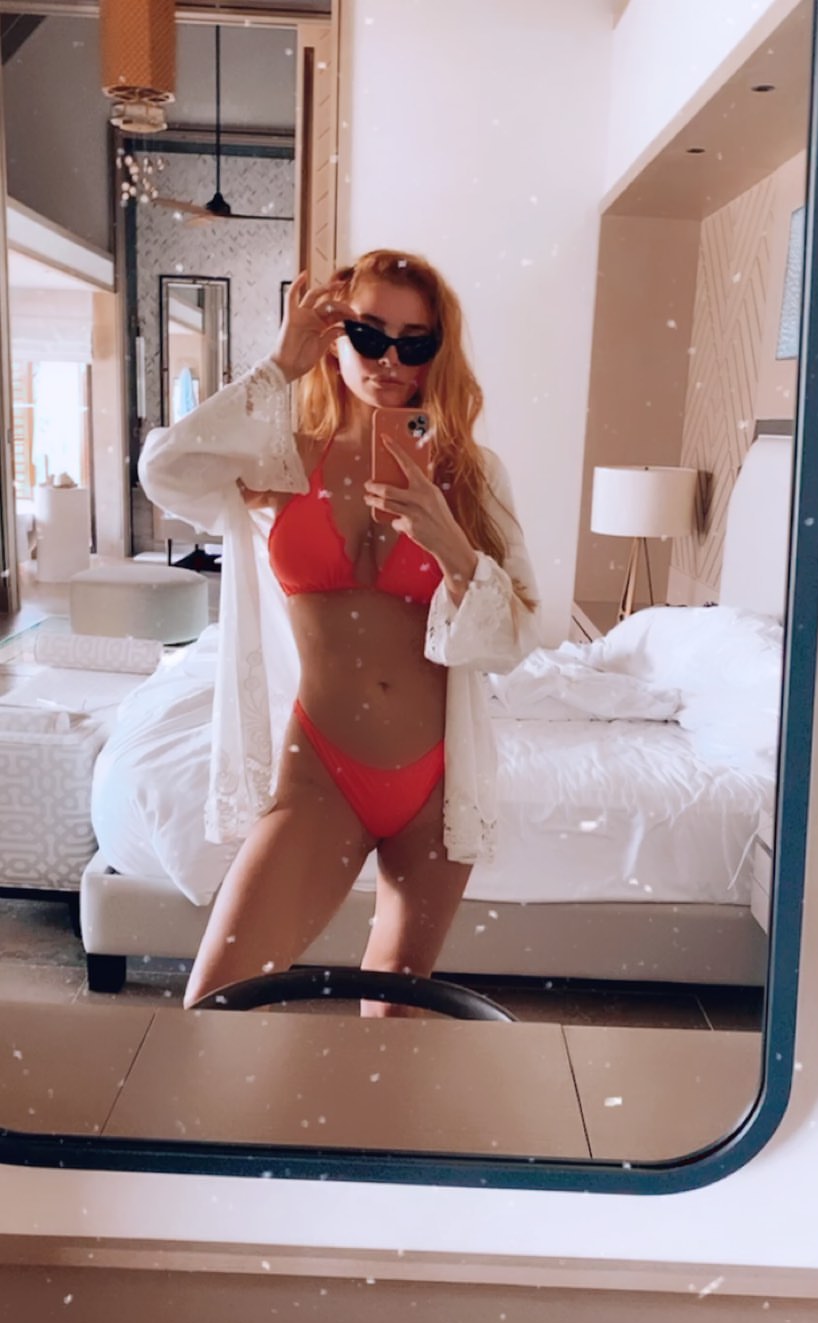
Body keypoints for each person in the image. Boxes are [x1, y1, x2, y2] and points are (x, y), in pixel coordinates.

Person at [139, 249, 541, 1015]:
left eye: (415, 343)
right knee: (216, 1007)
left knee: (394, 1018)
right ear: (333, 338)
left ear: (437, 352)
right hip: (321, 769)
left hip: (436, 779)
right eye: (368, 334)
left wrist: (451, 546)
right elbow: (166, 471)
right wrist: (278, 367)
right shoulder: (282, 455)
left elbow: (517, 635)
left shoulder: (470, 474)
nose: (389, 360)